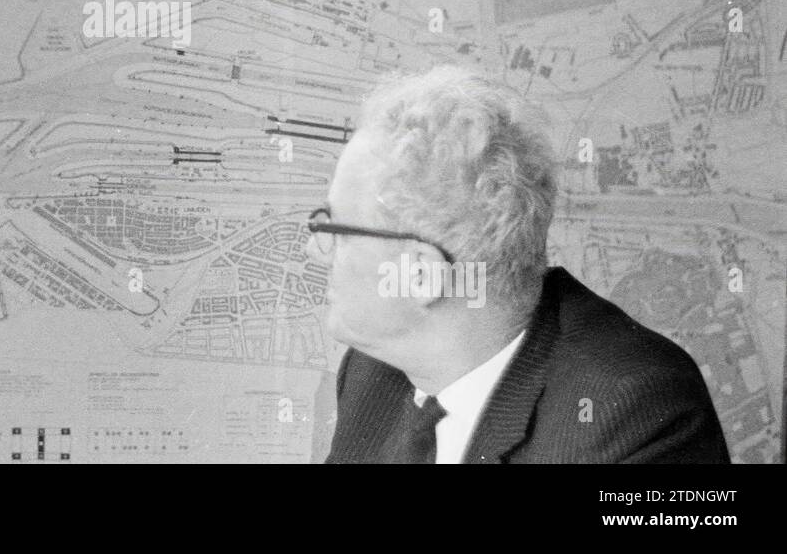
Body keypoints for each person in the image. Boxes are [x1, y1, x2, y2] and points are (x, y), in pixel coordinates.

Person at [312, 65, 728, 463]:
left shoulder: (633, 413)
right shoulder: (374, 373)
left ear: (421, 276)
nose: (317, 250)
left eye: (336, 232)